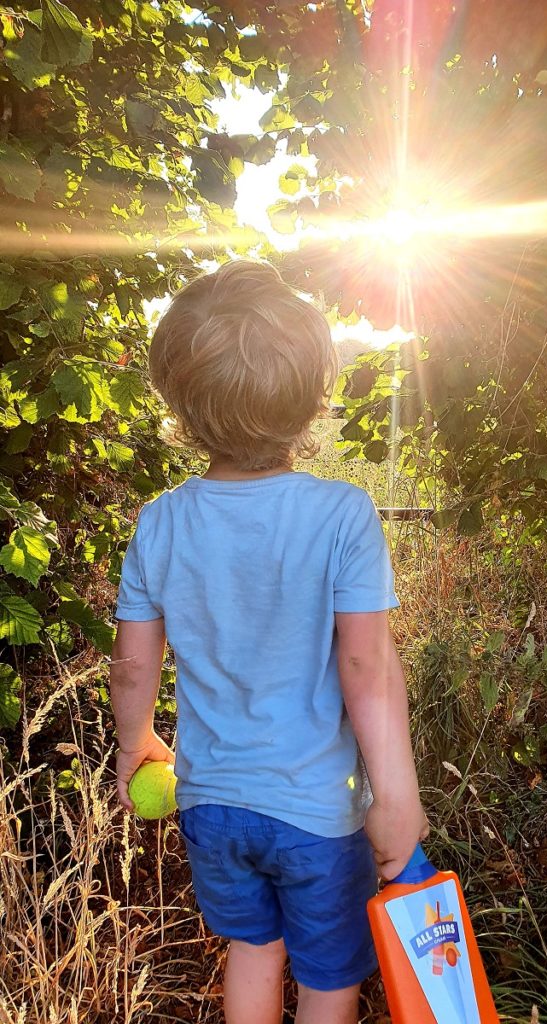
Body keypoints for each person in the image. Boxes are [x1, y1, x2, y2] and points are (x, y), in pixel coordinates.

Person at [109, 260, 427, 1024]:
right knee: (328, 975)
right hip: (315, 813)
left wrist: (135, 743)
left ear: (179, 401)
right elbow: (366, 666)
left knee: (253, 949)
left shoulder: (161, 522)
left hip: (210, 802)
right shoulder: (343, 516)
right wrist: (399, 795)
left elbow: (131, 662)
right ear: (315, 394)